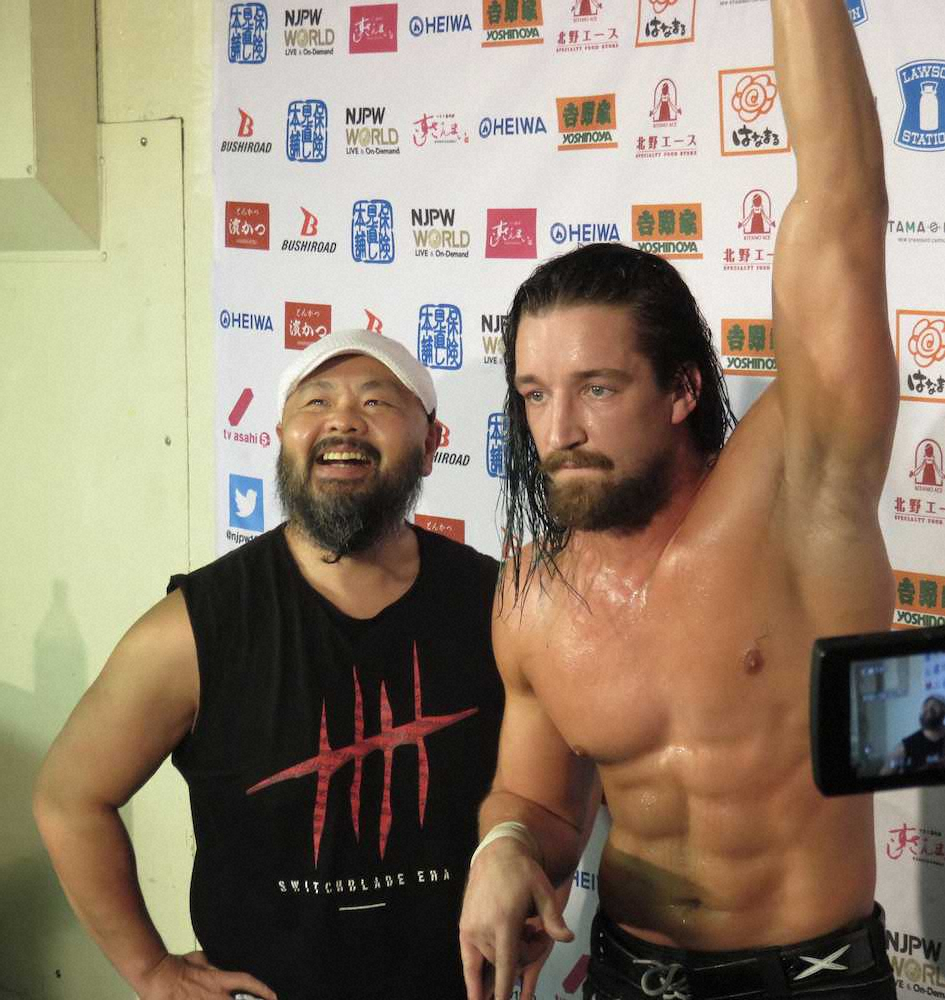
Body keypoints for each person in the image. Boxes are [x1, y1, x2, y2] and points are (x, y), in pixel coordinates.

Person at [459, 3, 899, 1000]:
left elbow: (841, 200)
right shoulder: (531, 594)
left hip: (813, 981)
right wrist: (506, 844)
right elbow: (538, 800)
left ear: (682, 389)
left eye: (597, 388)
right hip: (628, 976)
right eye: (534, 394)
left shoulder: (798, 499)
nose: (560, 428)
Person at [33, 330, 505, 1000]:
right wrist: (150, 970)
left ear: (431, 444)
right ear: (283, 438)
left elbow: (555, 788)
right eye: (316, 401)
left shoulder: (497, 606)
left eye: (376, 401)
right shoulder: (194, 627)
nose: (343, 419)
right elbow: (69, 798)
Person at [883, 696, 945, 774]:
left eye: (935, 706)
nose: (929, 709)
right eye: (925, 706)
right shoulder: (905, 746)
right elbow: (885, 773)